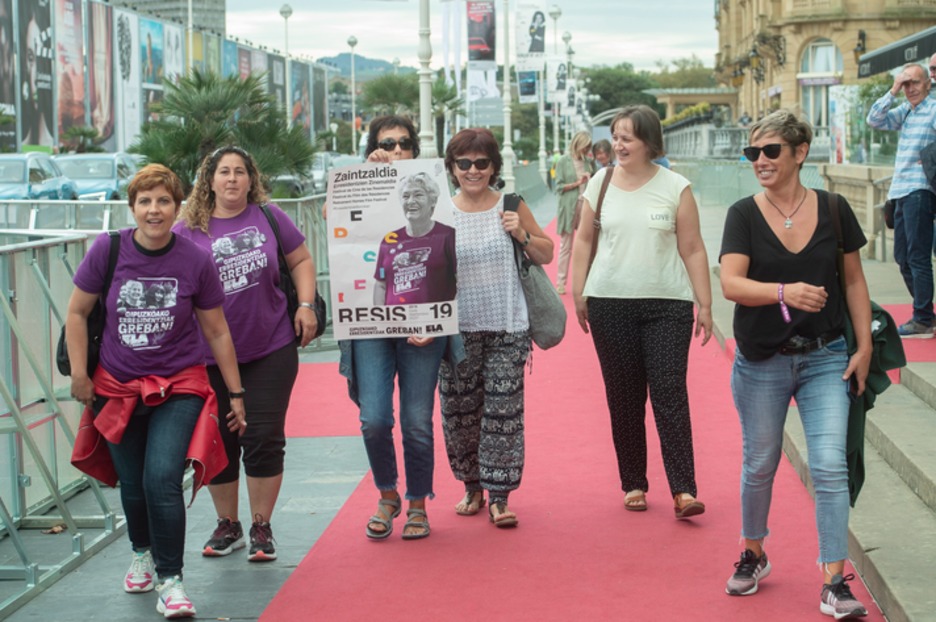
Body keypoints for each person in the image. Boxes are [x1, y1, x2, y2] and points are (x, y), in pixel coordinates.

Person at [67, 164, 247, 619]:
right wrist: (79, 376)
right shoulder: (107, 251)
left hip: (179, 385)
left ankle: (172, 581)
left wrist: (236, 393)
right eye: (145, 201)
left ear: (177, 206)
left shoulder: (195, 259)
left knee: (161, 479)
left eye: (163, 200)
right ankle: (141, 552)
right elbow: (76, 313)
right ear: (132, 208)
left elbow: (217, 331)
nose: (154, 210)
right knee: (132, 483)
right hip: (116, 387)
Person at [719, 109, 871, 619]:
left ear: (799, 153)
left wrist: (864, 346)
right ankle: (754, 552)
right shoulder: (743, 213)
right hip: (761, 359)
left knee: (828, 465)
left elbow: (852, 280)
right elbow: (731, 284)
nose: (759, 160)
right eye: (752, 153)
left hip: (826, 357)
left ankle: (834, 580)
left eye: (770, 151)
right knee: (760, 462)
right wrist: (784, 292)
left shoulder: (833, 208)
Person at [174, 146, 318, 562]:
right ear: (210, 180)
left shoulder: (270, 217)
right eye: (224, 172)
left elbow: (302, 259)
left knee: (263, 436)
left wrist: (306, 305)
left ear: (251, 179)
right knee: (219, 438)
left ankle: (260, 525)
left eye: (240, 172)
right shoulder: (187, 229)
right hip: (207, 356)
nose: (232, 179)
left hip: (270, 345)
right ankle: (228, 524)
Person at [570, 105, 712, 517]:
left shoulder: (676, 187)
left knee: (670, 394)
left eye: (627, 138)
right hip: (609, 302)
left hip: (667, 304)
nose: (618, 144)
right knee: (624, 398)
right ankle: (633, 482)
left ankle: (683, 489)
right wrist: (579, 292)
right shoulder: (600, 182)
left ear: (650, 142)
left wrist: (705, 302)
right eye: (615, 136)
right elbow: (581, 241)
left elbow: (693, 248)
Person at [338, 115, 457, 540]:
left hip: (424, 329)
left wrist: (439, 323)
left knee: (416, 421)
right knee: (373, 418)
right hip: (374, 332)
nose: (395, 149)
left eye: (403, 143)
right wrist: (367, 175)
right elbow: (348, 252)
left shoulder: (443, 224)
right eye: (386, 142)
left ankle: (418, 503)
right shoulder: (373, 212)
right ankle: (387, 493)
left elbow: (451, 278)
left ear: (415, 150)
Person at [440, 128, 554, 528]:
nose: (473, 171)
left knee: (503, 414)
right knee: (460, 415)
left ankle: (500, 496)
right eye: (464, 163)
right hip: (456, 330)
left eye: (481, 163)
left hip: (508, 326)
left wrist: (520, 233)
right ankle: (472, 486)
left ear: (494, 166)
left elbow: (547, 251)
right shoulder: (440, 211)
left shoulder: (511, 204)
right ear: (452, 169)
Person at [866, 62, 936, 338]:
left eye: (915, 82)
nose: (910, 89)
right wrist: (893, 89)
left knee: (917, 257)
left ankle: (922, 319)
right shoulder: (906, 110)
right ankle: (926, 314)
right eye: (906, 84)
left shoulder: (932, 109)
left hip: (920, 190)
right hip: (899, 191)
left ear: (927, 84)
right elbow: (874, 120)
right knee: (902, 257)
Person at [374, 172, 457, 305]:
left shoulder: (448, 236)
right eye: (406, 196)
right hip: (396, 324)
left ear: (433, 201)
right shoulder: (390, 240)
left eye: (418, 195)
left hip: (436, 324)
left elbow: (463, 282)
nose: (411, 201)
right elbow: (381, 284)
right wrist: (381, 319)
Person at [553, 131, 597, 294]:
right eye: (585, 147)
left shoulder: (588, 162)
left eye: (588, 148)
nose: (586, 151)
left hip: (585, 205)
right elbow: (558, 187)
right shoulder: (563, 161)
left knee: (587, 244)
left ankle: (585, 281)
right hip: (569, 206)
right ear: (578, 145)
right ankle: (560, 282)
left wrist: (589, 179)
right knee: (566, 246)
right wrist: (578, 182)